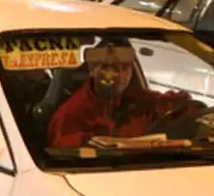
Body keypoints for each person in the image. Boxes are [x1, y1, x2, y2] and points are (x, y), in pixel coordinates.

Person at [47, 41, 193, 148]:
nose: (119, 74)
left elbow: (177, 105)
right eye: (110, 67)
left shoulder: (140, 100)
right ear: (92, 69)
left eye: (125, 67)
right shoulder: (71, 115)